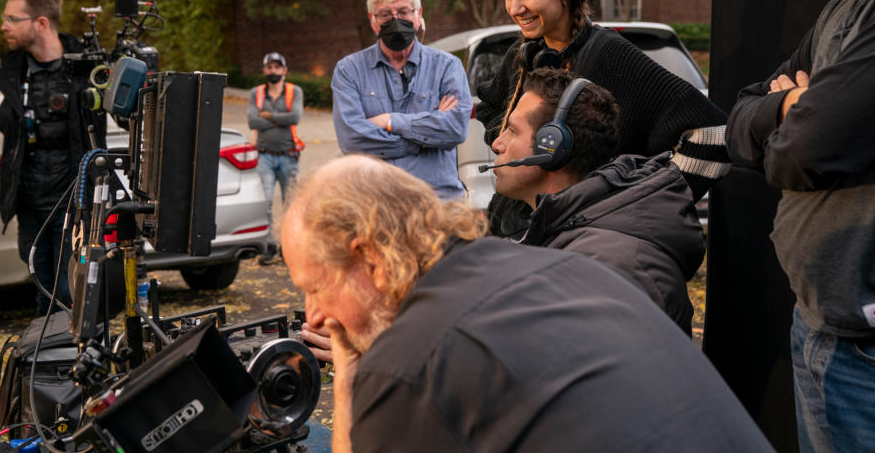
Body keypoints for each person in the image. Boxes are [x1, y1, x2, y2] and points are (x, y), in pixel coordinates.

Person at [282, 155, 773, 453]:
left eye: (316, 287)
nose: (314, 316)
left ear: (369, 256)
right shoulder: (565, 266)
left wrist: (351, 372)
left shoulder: (412, 360)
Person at [724, 0, 875, 449]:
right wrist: (787, 109)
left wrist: (791, 120)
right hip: (816, 326)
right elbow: (740, 117)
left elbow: (807, 153)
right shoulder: (843, 9)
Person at [475, 0, 730, 237]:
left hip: (586, 245)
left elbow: (714, 136)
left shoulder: (610, 56)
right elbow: (492, 107)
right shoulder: (525, 53)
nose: (515, 8)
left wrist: (642, 204)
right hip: (517, 234)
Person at [491, 68, 704, 334]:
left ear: (552, 148)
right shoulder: (566, 233)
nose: (497, 144)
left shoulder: (616, 267)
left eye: (512, 130)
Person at [0, 0, 106, 314]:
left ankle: (78, 360)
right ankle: (49, 363)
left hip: (73, 202)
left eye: (12, 19)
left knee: (71, 293)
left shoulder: (86, 70)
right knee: (43, 293)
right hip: (29, 206)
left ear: (41, 23)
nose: (3, 27)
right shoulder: (14, 72)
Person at [331, 0, 471, 199]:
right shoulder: (349, 70)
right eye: (385, 14)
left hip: (438, 203)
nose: (395, 21)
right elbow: (352, 140)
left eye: (404, 12)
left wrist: (390, 121)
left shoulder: (447, 66)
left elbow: (455, 129)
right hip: (377, 205)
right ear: (372, 20)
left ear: (418, 15)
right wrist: (423, 141)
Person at [248, 51, 303, 265]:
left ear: (284, 70)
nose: (273, 71)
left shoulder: (294, 91)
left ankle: (288, 248)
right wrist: (282, 120)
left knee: (290, 204)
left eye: (277, 67)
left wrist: (268, 116)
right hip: (264, 156)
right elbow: (253, 122)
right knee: (266, 203)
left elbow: (295, 117)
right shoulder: (256, 93)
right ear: (264, 70)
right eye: (269, 67)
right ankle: (268, 246)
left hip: (288, 155)